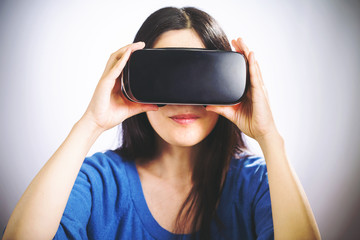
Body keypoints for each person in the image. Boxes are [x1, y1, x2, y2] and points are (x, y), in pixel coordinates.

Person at [3, 6, 321, 240]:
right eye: (166, 77)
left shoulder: (256, 185)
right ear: (135, 78)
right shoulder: (97, 182)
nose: (184, 102)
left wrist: (269, 137)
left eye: (200, 77)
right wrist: (91, 123)